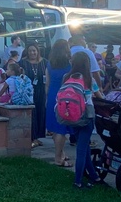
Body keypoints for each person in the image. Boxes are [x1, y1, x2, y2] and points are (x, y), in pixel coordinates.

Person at [65, 51, 103, 189]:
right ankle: (78, 181)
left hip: (71, 115)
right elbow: (99, 96)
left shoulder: (67, 77)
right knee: (81, 150)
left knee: (85, 146)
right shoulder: (89, 79)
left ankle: (94, 175)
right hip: (87, 115)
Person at [44, 39, 72, 168]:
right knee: (61, 129)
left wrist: (47, 98)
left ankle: (61, 153)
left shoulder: (50, 64)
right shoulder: (70, 64)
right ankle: (58, 158)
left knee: (55, 128)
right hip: (65, 97)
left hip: (52, 96)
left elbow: (47, 84)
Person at [21, 44, 49, 146]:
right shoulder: (23, 62)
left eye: (34, 51)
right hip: (29, 91)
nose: (32, 53)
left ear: (37, 51)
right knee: (32, 113)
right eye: (30, 51)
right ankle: (32, 137)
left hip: (41, 90)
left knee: (41, 113)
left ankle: (37, 137)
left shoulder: (45, 62)